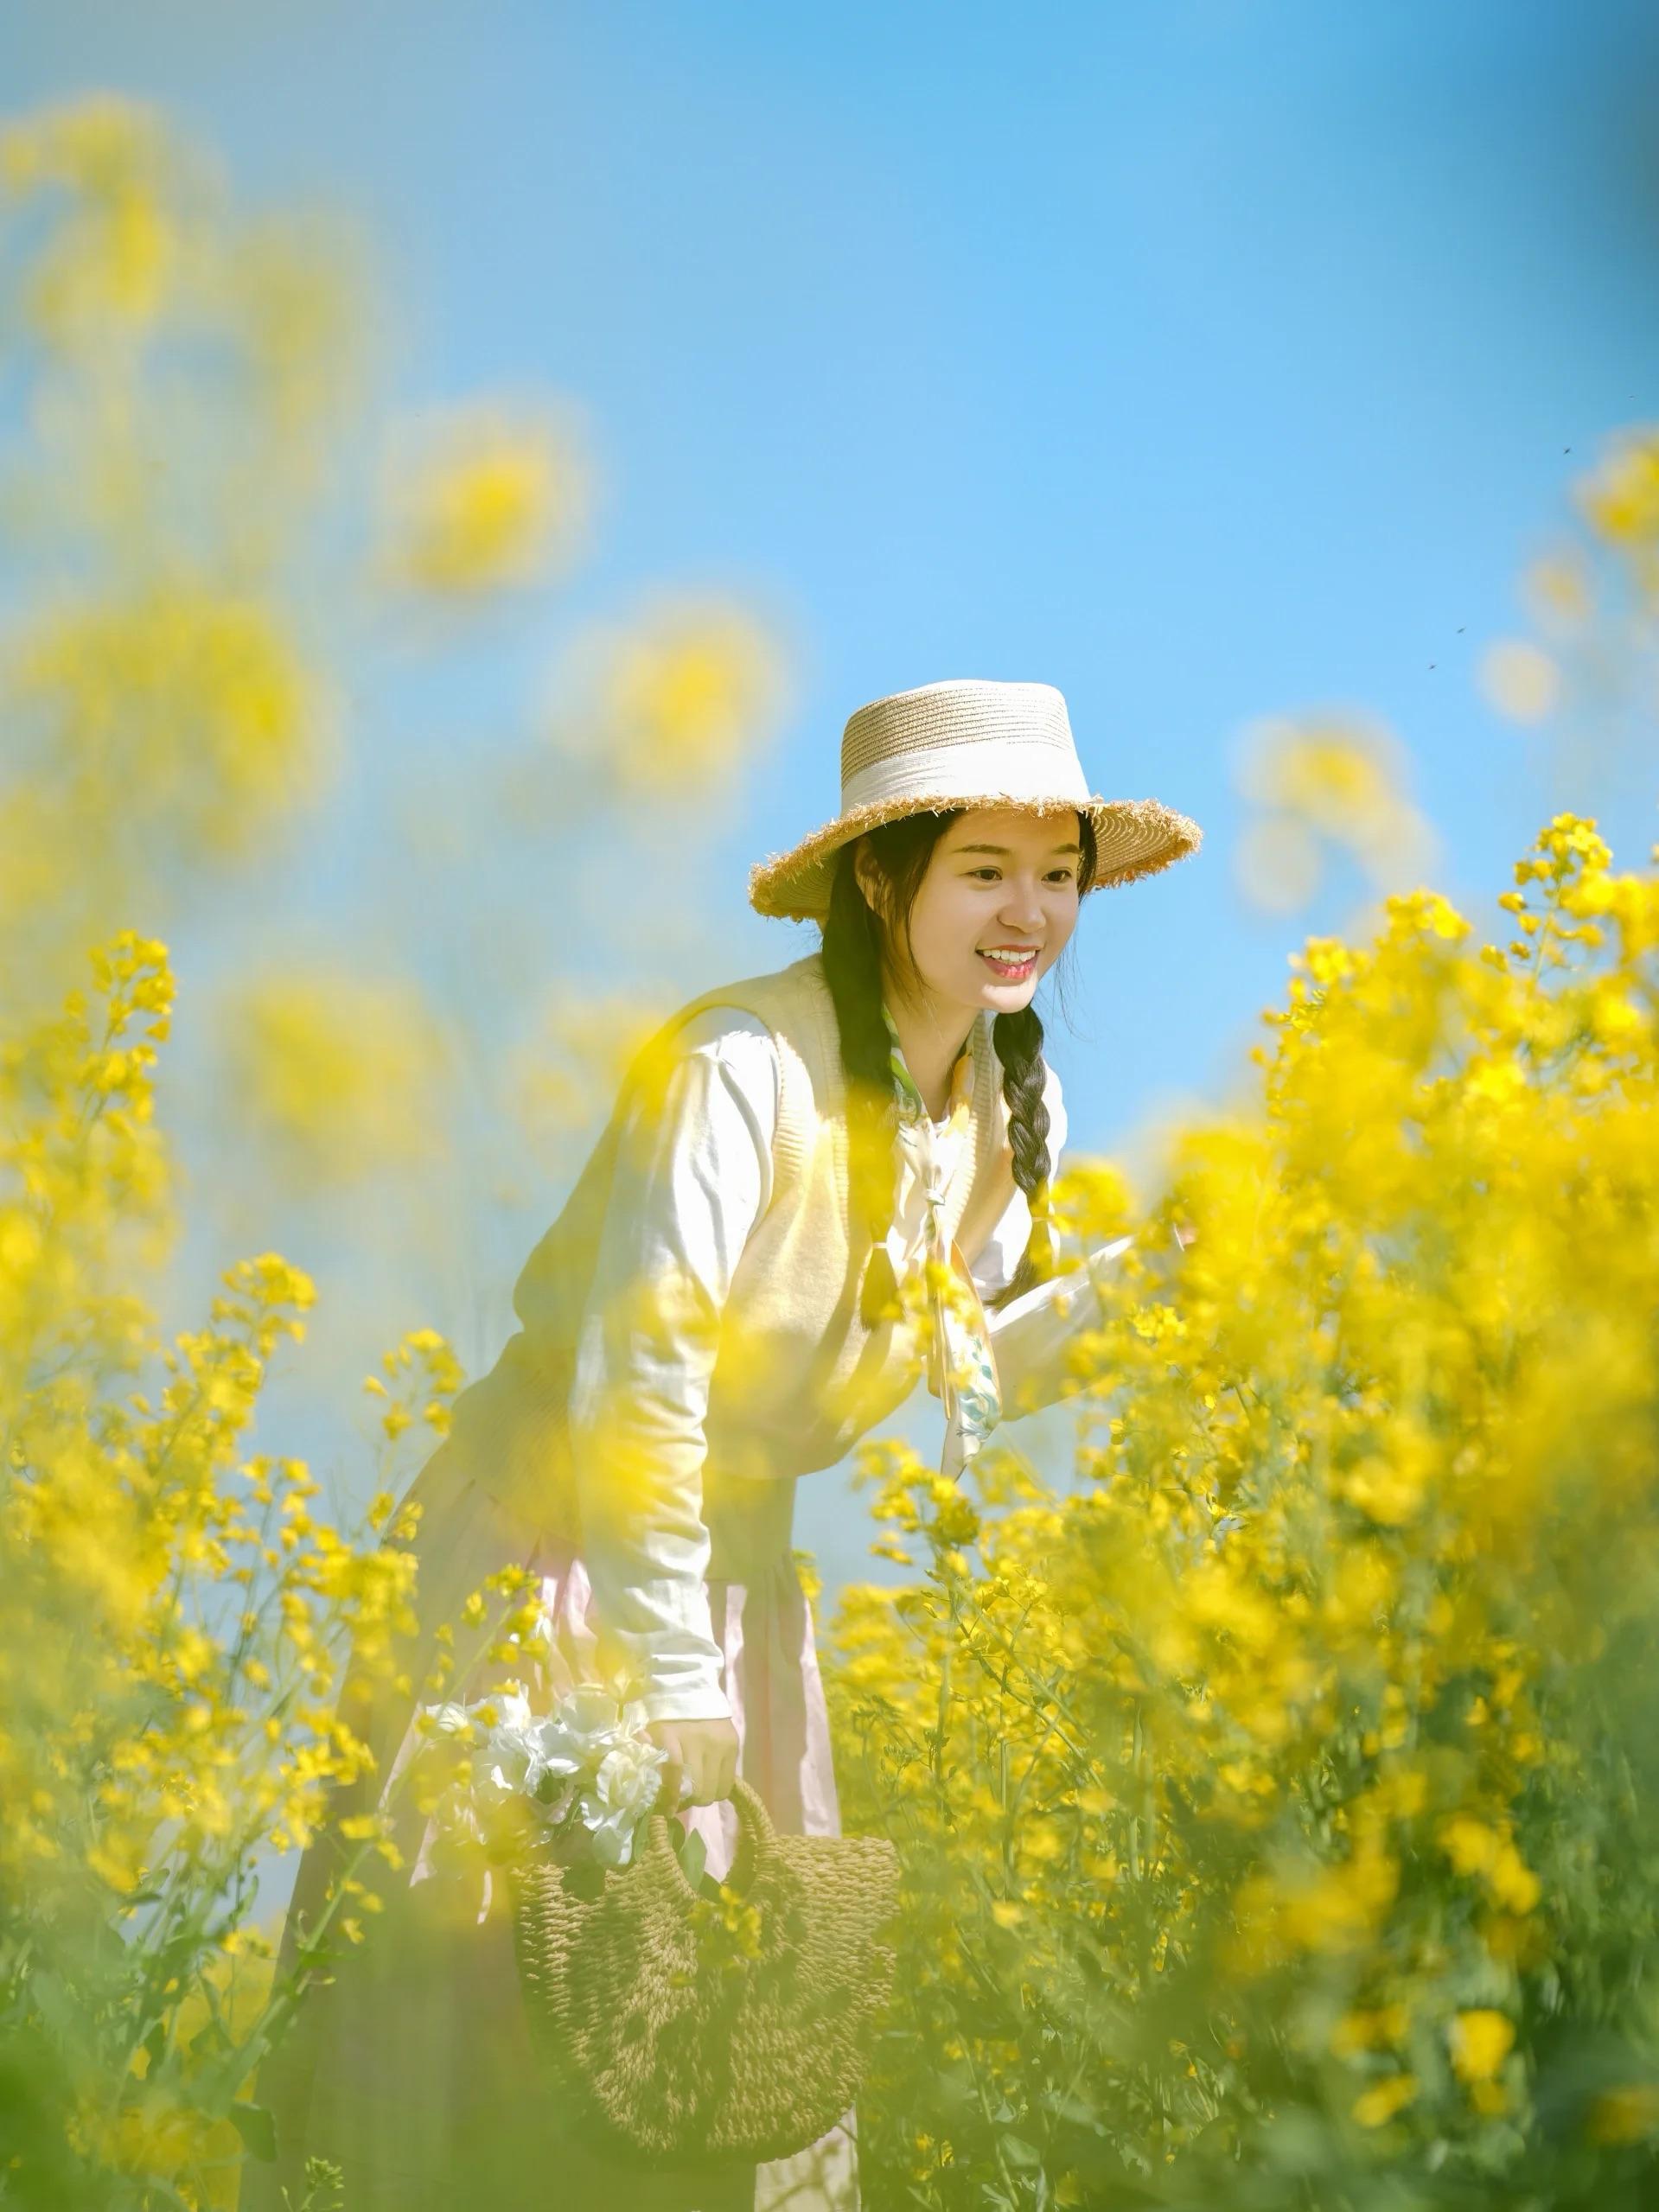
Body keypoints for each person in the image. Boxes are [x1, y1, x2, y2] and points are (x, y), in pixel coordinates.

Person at [249, 678, 1202, 2212]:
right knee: (490, 1998)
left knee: (714, 2036)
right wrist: (667, 1672)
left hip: (733, 1577)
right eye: (983, 873)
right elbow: (642, 1381)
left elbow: (945, 1366)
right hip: (562, 1549)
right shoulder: (739, 1067)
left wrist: (1144, 1291)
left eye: (1058, 876)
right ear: (882, 877)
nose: (1027, 914)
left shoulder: (1008, 1109)